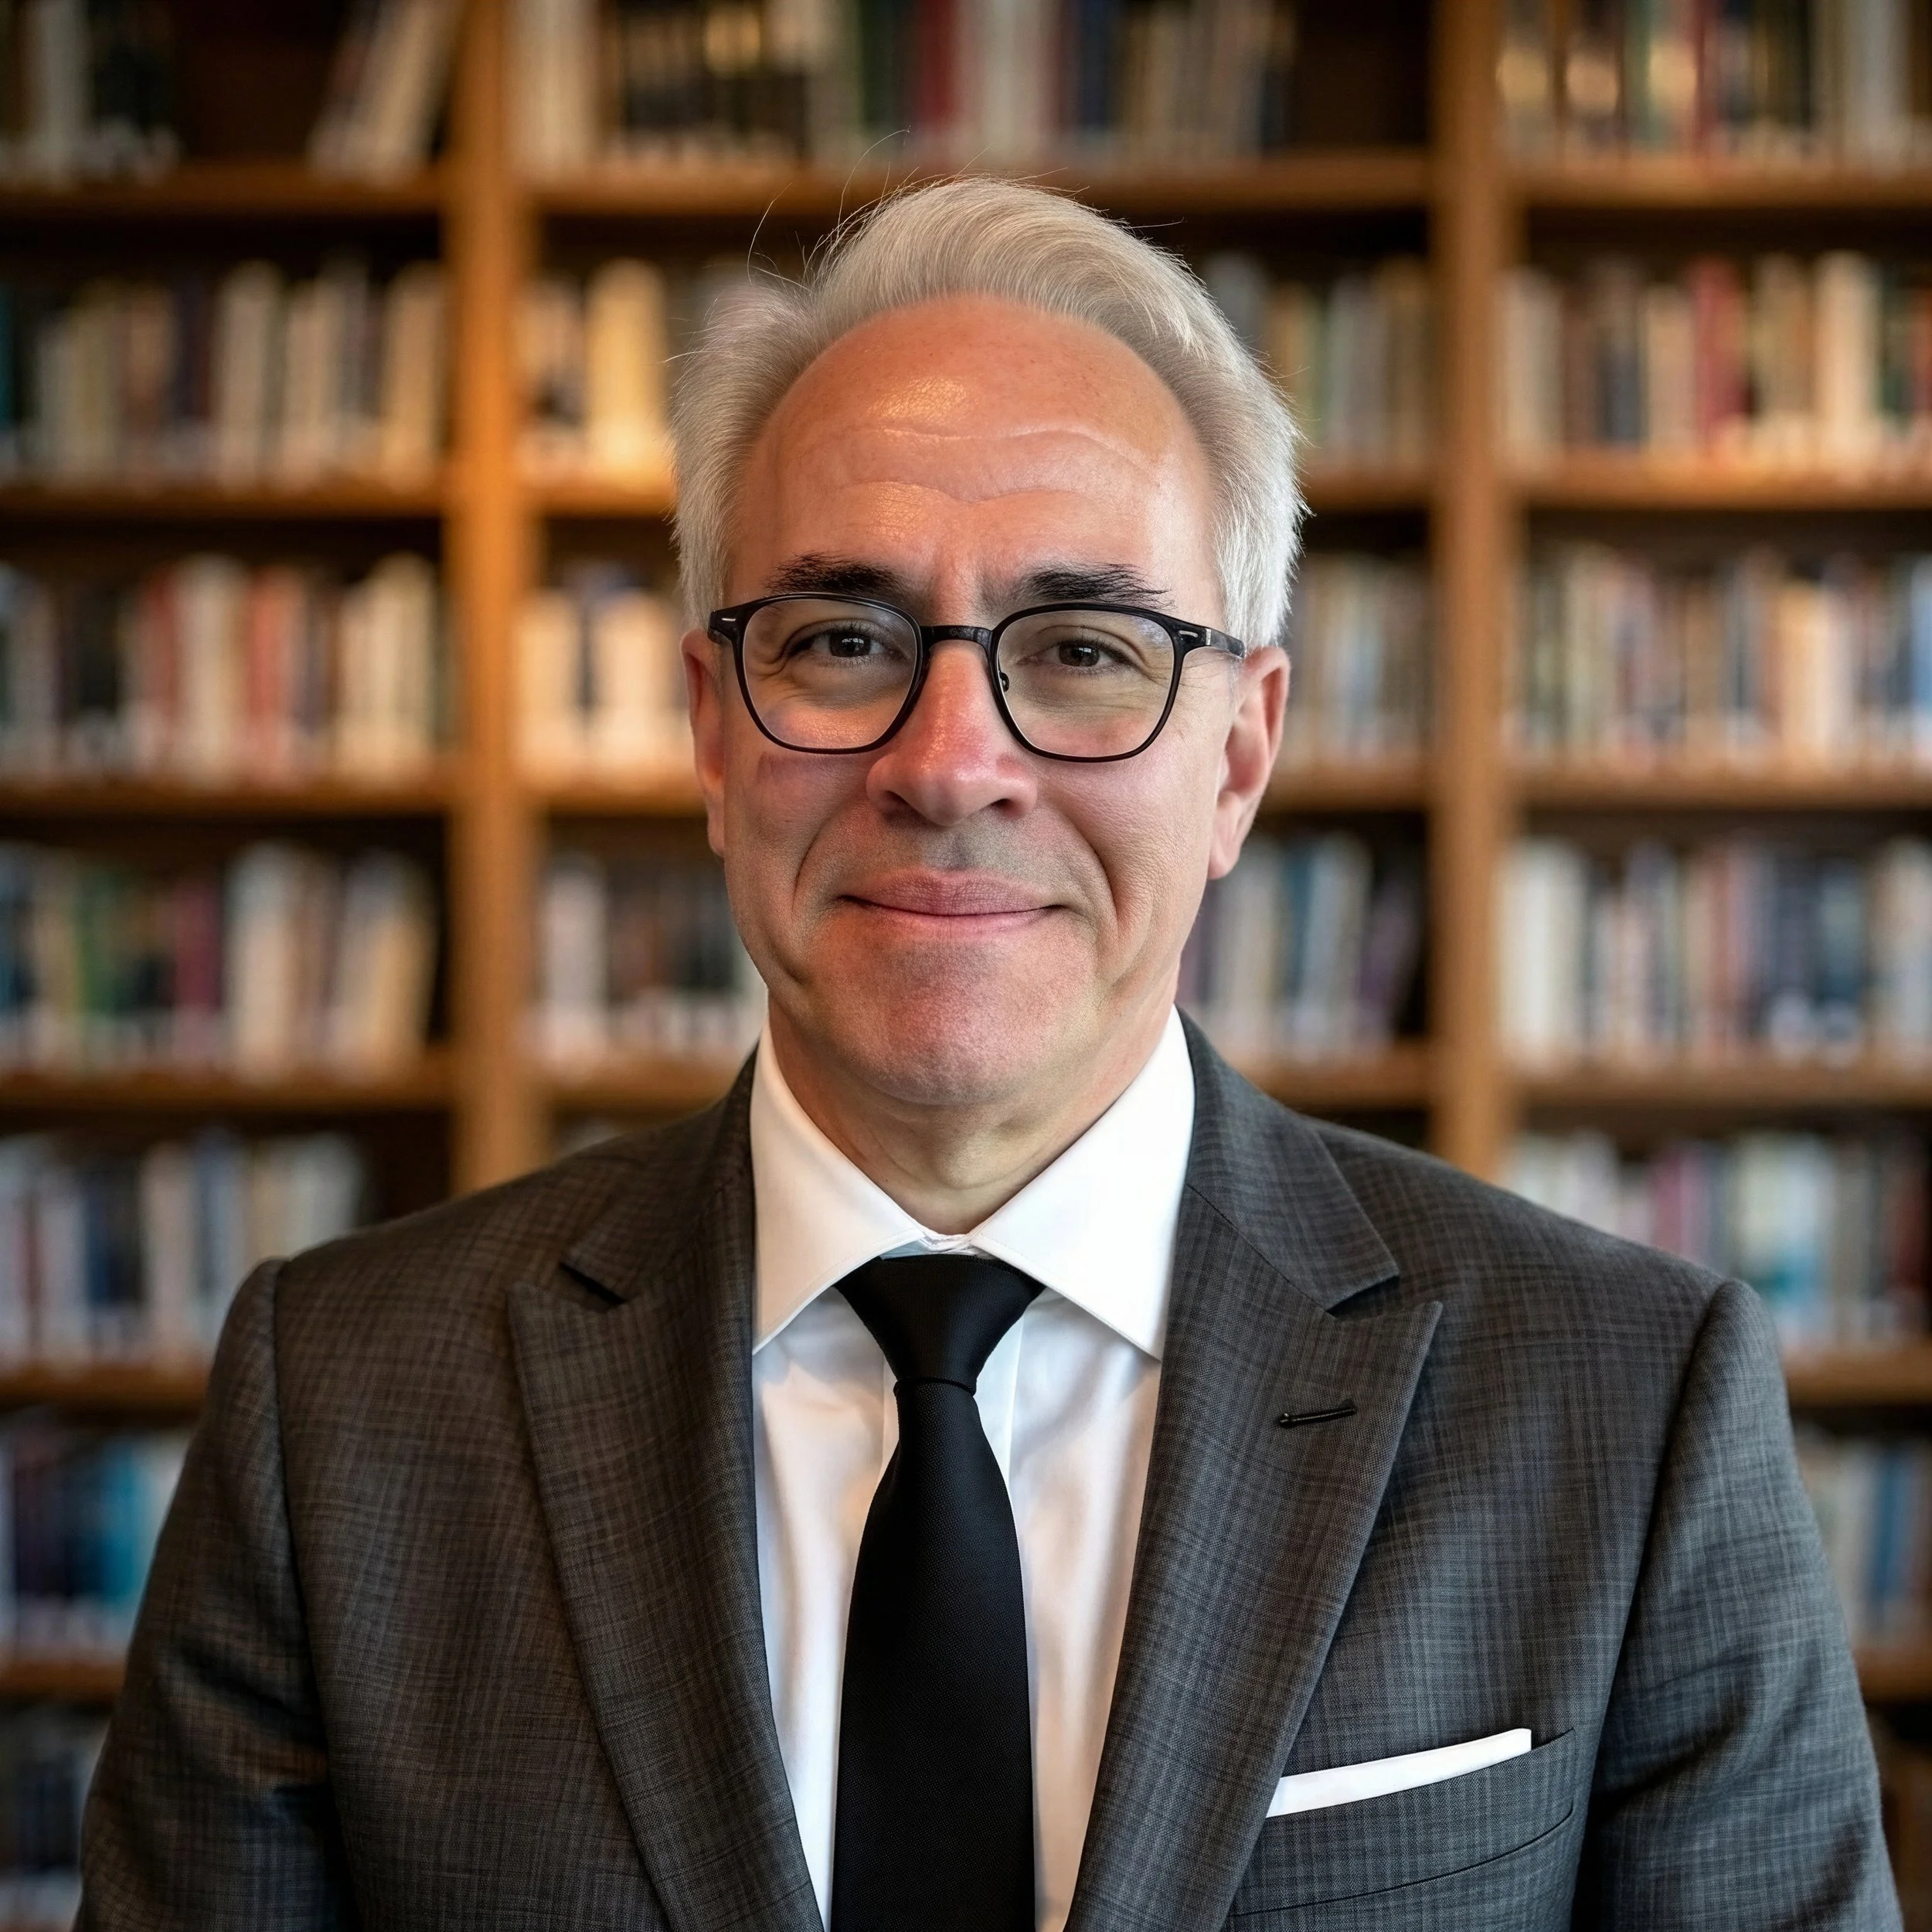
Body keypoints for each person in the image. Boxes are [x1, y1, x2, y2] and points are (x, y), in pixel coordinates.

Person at [79, 179, 1896, 1932]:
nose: (949, 761)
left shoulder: (1626, 1404)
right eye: (842, 637)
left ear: (1238, 757)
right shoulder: (340, 1408)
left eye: (1086, 646)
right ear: (712, 734)